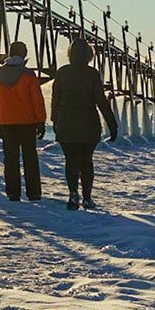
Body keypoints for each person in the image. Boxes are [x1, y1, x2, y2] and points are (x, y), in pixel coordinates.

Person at [49, 38, 117, 210]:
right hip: (89, 123)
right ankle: (87, 197)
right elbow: (101, 100)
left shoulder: (62, 72)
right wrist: (112, 123)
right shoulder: (92, 74)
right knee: (86, 161)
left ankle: (73, 194)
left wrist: (55, 120)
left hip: (66, 122)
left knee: (71, 160)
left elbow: (55, 99)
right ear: (89, 54)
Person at [0, 41, 47, 202]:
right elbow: (37, 100)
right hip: (27, 122)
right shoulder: (28, 75)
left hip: (7, 122)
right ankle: (33, 192)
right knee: (30, 158)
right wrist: (41, 120)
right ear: (23, 54)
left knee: (10, 159)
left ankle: (13, 192)